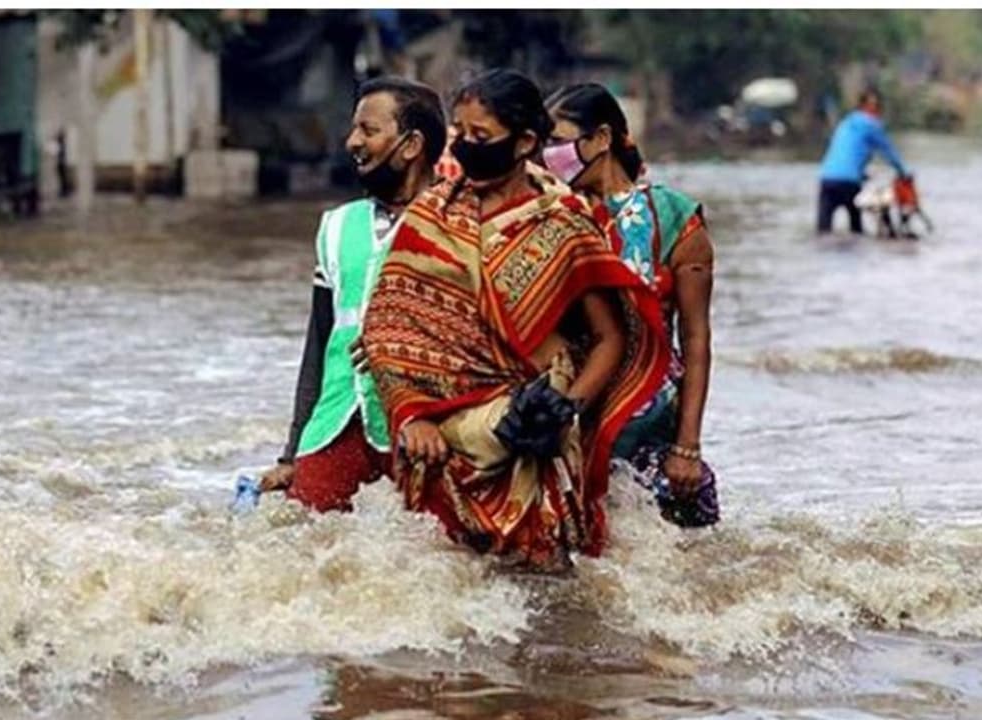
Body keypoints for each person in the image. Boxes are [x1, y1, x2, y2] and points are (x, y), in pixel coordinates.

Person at [359, 69, 668, 568]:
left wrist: (565, 407)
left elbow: (612, 338)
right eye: (459, 134)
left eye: (480, 137)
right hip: (443, 444)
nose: (464, 148)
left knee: (545, 587)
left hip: (532, 432)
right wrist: (412, 414)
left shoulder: (564, 223)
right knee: (444, 581)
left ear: (525, 141)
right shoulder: (431, 213)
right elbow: (388, 328)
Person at [260, 77, 447, 512]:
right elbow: (320, 341)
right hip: (337, 419)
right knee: (307, 544)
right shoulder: (337, 226)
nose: (351, 142)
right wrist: (291, 453)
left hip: (428, 430)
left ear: (411, 145)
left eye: (368, 130)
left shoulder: (458, 222)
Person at [544, 83, 718, 527]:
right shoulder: (549, 216)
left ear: (601, 139)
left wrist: (687, 446)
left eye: (558, 140)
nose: (549, 154)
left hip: (652, 420)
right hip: (568, 416)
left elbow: (695, 337)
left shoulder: (674, 218)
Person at [817, 89, 910, 234]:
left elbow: (846, 154)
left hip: (827, 178)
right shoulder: (872, 125)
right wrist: (904, 173)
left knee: (822, 229)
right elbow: (890, 153)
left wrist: (862, 174)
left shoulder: (845, 123)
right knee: (856, 229)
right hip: (849, 183)